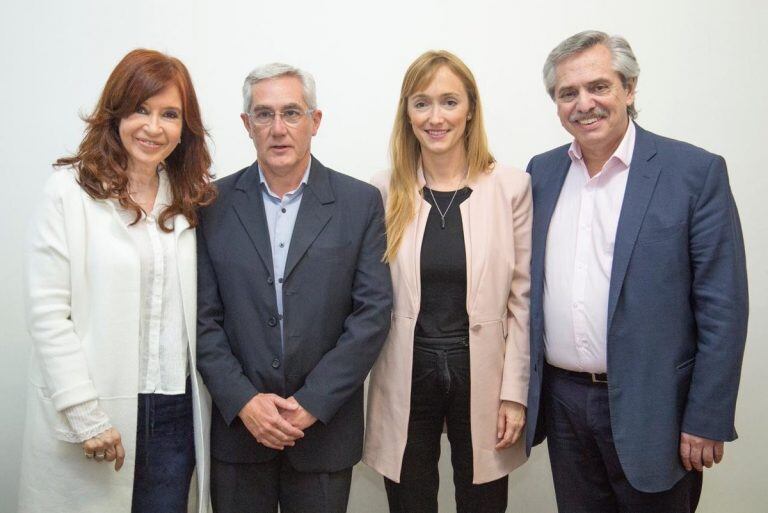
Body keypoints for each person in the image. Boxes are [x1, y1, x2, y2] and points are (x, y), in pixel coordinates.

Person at [524, 30, 749, 513]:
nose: (584, 103)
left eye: (599, 87)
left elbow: (723, 308)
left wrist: (707, 416)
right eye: (568, 93)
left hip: (657, 409)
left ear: (629, 89)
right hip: (563, 404)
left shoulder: (693, 172)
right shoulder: (540, 174)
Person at [19, 49, 217, 513]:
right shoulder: (69, 191)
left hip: (174, 412)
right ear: (116, 113)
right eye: (140, 110)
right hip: (95, 405)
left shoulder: (189, 197)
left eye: (170, 114)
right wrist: (85, 415)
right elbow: (48, 314)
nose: (154, 127)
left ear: (184, 126)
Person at [195, 62, 392, 513]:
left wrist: (311, 402)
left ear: (314, 121)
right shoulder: (211, 205)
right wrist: (244, 401)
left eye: (292, 113)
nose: (278, 129)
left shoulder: (359, 203)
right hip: (239, 434)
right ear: (247, 125)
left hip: (322, 432)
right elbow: (203, 319)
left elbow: (372, 314)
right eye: (263, 115)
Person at [363, 50, 532, 513]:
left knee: (482, 500)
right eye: (422, 103)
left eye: (449, 102)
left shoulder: (510, 187)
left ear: (471, 109)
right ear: (407, 113)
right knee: (410, 500)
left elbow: (523, 300)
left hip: (482, 370)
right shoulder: (382, 190)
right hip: (405, 370)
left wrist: (514, 395)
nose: (435, 117)